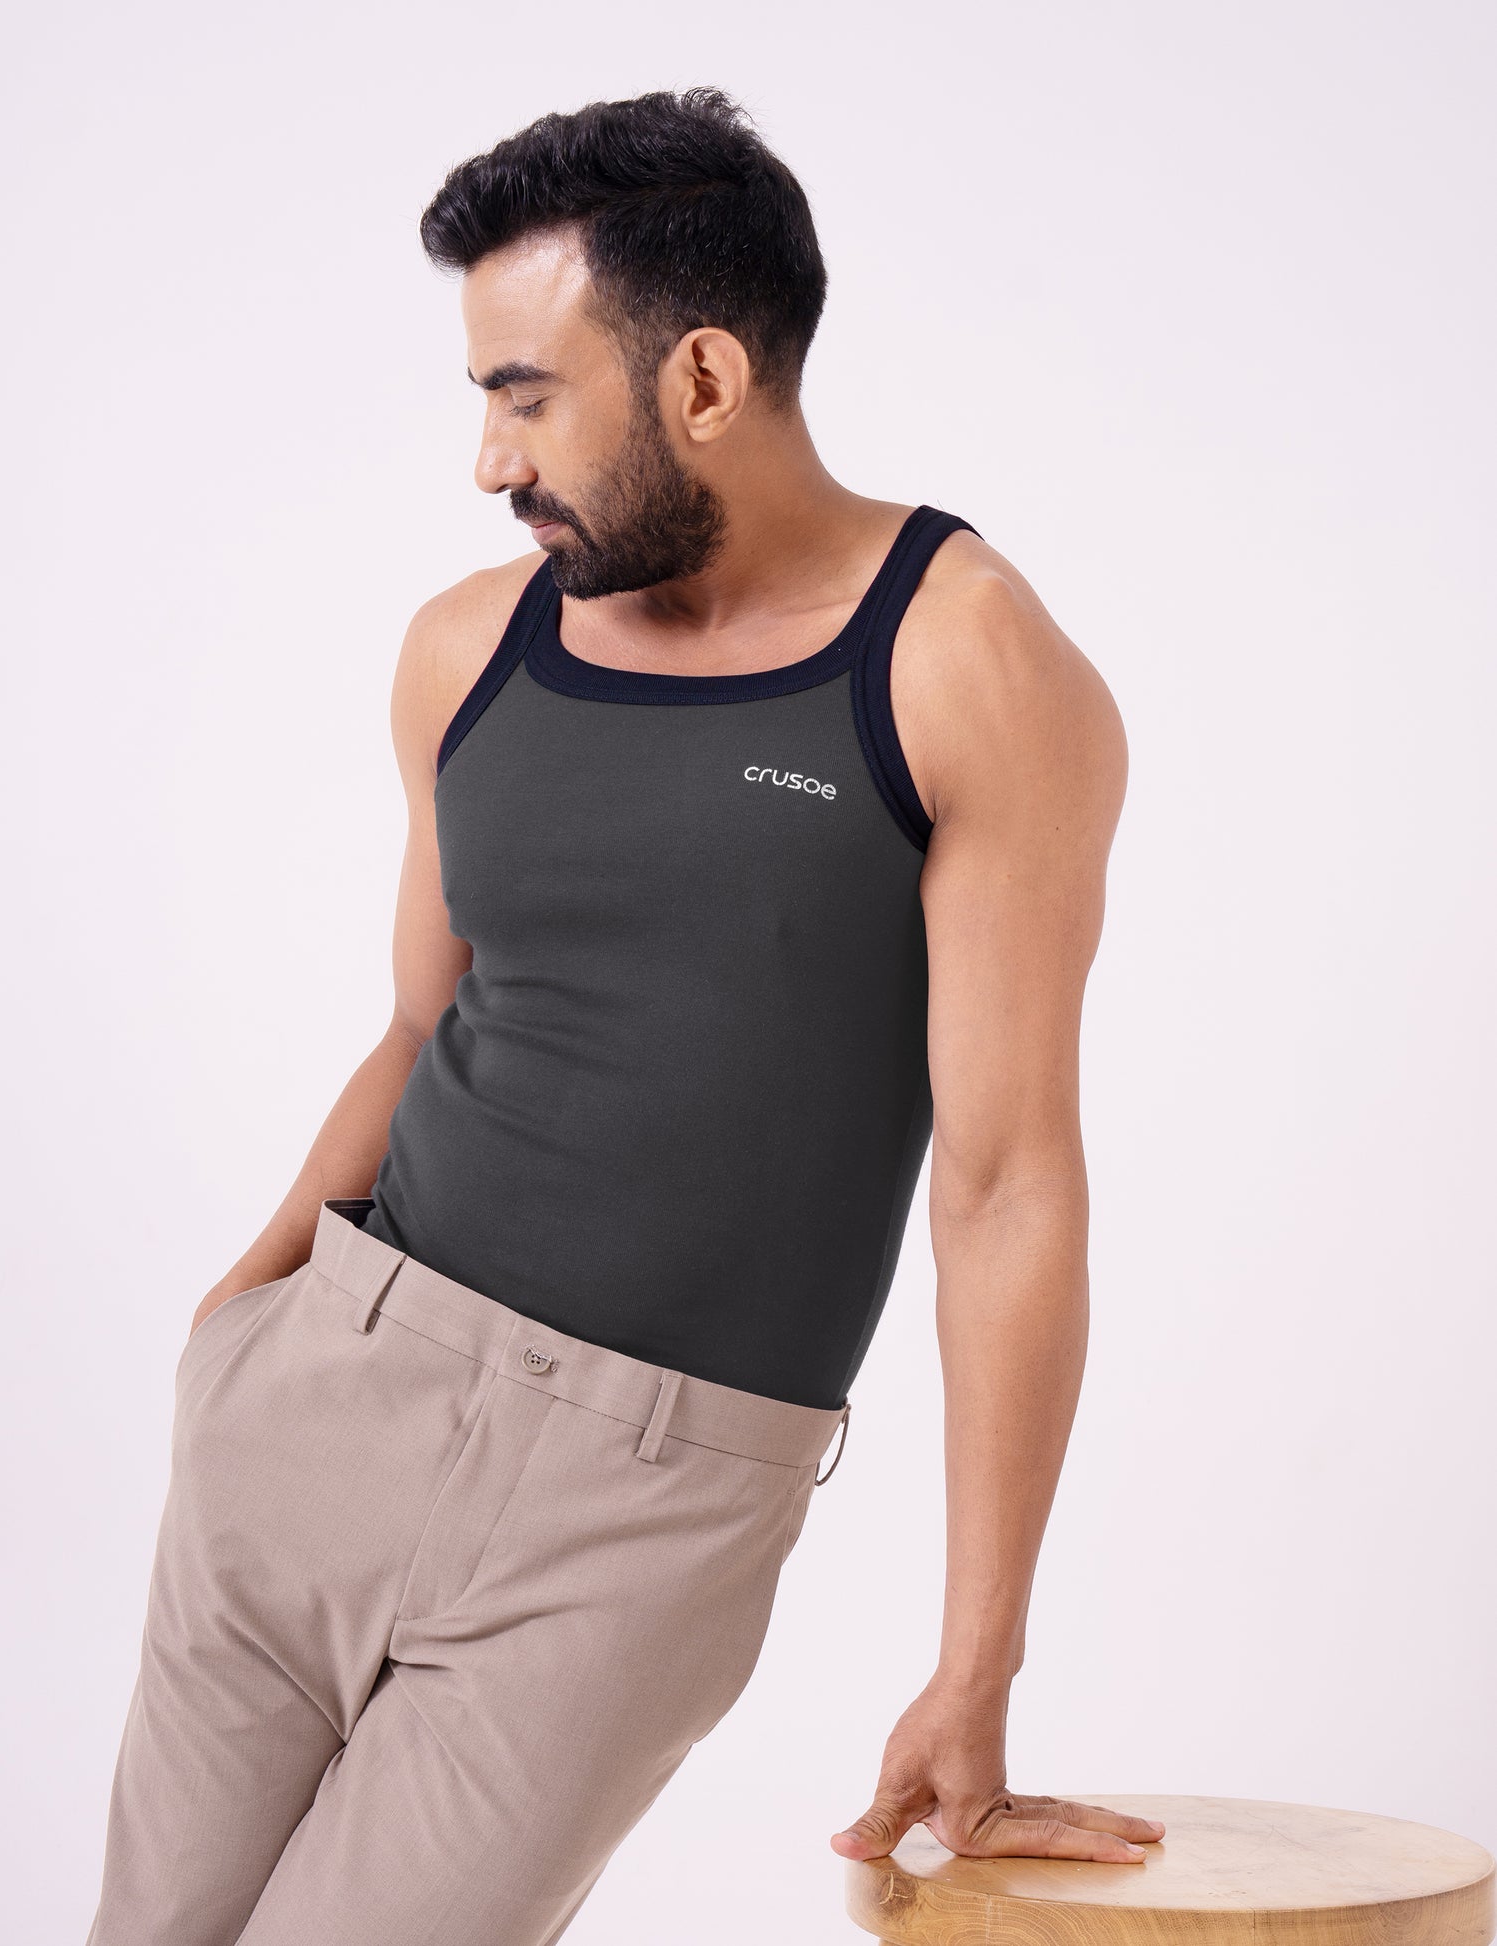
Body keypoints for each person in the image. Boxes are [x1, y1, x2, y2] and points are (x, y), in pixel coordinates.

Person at [86, 86, 1158, 1946]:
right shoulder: (463, 648)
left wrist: (972, 1663)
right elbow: (419, 1021)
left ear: (705, 379)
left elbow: (1004, 1186)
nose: (486, 461)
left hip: (639, 1511)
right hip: (326, 1392)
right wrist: (238, 1325)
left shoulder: (964, 661)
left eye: (525, 395)